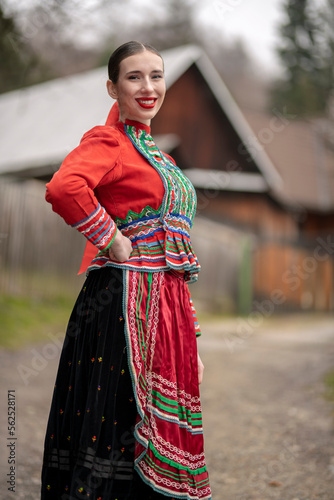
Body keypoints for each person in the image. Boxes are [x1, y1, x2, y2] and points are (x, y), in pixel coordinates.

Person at [41, 40, 212, 500]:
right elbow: (63, 187)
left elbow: (176, 254)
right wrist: (111, 238)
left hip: (167, 306)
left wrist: (188, 332)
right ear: (113, 88)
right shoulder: (109, 142)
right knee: (117, 421)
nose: (148, 86)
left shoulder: (165, 159)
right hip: (123, 306)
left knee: (158, 423)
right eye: (134, 77)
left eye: (156, 76)